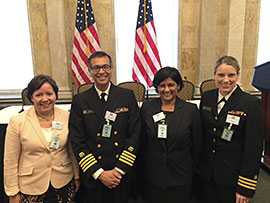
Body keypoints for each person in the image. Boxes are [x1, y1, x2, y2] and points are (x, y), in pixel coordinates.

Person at [69, 51, 141, 203]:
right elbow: (77, 140)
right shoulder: (80, 100)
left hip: (121, 175)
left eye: (105, 67)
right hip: (94, 176)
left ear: (111, 68)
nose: (101, 72)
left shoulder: (127, 96)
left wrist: (119, 170)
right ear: (89, 71)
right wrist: (100, 173)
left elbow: (135, 135)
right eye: (96, 68)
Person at [4, 75, 79, 203]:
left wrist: (77, 176)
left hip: (63, 182)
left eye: (49, 94)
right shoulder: (17, 121)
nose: (45, 99)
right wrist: (12, 193)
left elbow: (71, 150)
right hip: (31, 185)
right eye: (39, 95)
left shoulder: (66, 117)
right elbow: (10, 160)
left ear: (56, 96)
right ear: (31, 97)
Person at [199, 56, 263, 203]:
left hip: (232, 177)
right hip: (206, 174)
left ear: (238, 76)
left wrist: (245, 187)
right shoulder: (207, 98)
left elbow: (253, 148)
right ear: (214, 75)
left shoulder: (251, 103)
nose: (226, 80)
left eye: (231, 75)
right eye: (221, 75)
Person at [139, 67, 202, 203]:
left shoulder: (190, 110)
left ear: (178, 86)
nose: (166, 90)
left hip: (181, 176)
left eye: (171, 85)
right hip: (152, 176)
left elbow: (197, 146)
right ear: (156, 87)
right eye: (162, 85)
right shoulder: (147, 108)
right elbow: (142, 143)